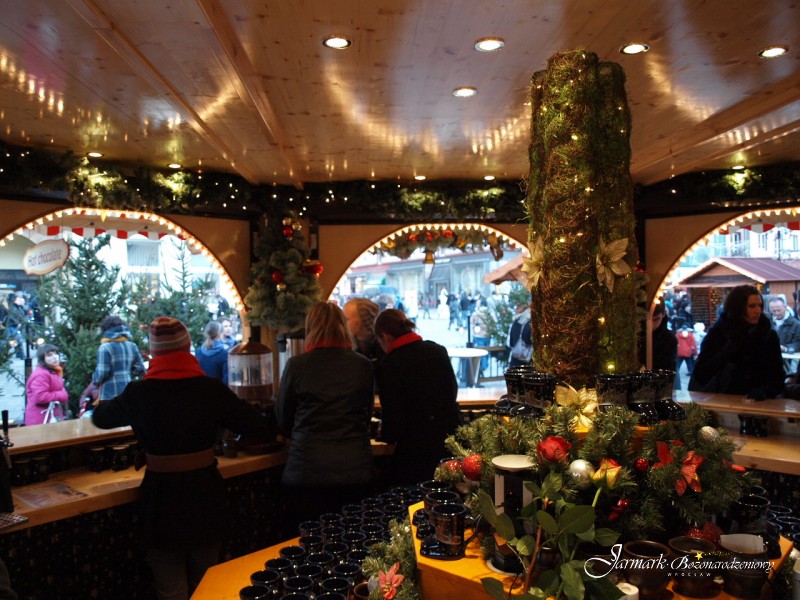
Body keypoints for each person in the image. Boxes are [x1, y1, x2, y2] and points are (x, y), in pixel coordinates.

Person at [92, 317, 269, 600]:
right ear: (187, 348)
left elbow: (100, 418)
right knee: (208, 586)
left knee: (170, 589)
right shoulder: (209, 389)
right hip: (205, 495)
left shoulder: (138, 392)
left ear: (154, 352)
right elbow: (258, 426)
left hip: (160, 500)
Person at [275, 302, 375, 529]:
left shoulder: (296, 366)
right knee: (353, 540)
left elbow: (283, 420)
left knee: (306, 543)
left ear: (311, 328)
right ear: (342, 327)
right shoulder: (362, 365)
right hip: (355, 470)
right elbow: (366, 414)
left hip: (306, 472)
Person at [374, 309, 460, 486]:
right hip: (448, 446)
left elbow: (394, 424)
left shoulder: (389, 365)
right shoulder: (438, 351)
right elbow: (452, 393)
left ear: (385, 336)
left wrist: (383, 432)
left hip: (414, 454)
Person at [688, 285, 784, 400]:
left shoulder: (768, 335)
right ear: (739, 308)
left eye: (760, 305)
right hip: (723, 400)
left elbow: (778, 375)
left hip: (760, 403)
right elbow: (701, 373)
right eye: (752, 306)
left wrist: (765, 391)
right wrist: (726, 353)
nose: (758, 311)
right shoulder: (719, 334)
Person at [92, 315, 146, 402]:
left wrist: (95, 380)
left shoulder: (105, 347)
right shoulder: (132, 346)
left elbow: (102, 373)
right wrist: (127, 374)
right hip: (128, 393)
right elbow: (140, 368)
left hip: (109, 395)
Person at [24, 344, 68, 425]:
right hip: (41, 419)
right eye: (49, 355)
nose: (55, 357)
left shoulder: (53, 371)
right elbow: (40, 397)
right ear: (42, 359)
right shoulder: (41, 375)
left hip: (50, 416)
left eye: (56, 354)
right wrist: (61, 395)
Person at [343, 298, 384, 364]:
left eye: (347, 319)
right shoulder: (347, 344)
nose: (343, 323)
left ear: (363, 319)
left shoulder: (382, 345)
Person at [768, 296, 800, 374]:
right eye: (773, 311)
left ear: (785, 307)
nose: (776, 313)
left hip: (788, 361)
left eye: (779, 310)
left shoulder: (795, 324)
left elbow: (798, 343)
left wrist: (785, 348)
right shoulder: (767, 322)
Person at [650, 302, 677, 372]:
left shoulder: (669, 339)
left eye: (656, 319)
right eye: (647, 320)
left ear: (664, 314)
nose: (651, 325)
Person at [470, 297, 490, 375]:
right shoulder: (489, 313)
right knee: (487, 350)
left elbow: (471, 322)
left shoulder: (476, 313)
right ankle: (486, 365)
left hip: (478, 335)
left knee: (481, 350)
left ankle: (483, 366)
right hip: (487, 335)